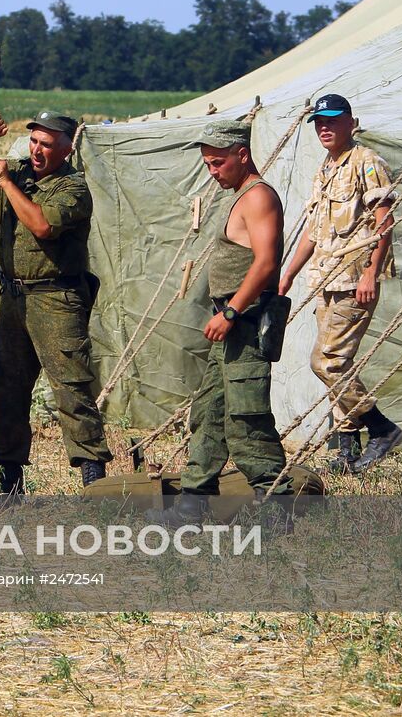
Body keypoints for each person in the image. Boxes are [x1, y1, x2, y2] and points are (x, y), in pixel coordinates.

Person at [155, 120, 292, 526]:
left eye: (218, 163)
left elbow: (266, 263)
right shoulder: (241, 196)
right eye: (209, 165)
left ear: (241, 155)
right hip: (230, 325)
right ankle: (193, 503)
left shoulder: (258, 197)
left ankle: (280, 507)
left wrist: (231, 311)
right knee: (209, 414)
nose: (213, 172)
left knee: (245, 419)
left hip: (245, 324)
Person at [0, 110, 108, 497]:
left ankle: (93, 483)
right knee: (8, 391)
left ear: (67, 149)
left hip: (56, 300)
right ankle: (10, 480)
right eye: (34, 140)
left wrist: (5, 180)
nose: (37, 150)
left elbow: (43, 225)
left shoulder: (73, 188)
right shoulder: (17, 171)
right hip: (15, 299)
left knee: (71, 390)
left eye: (47, 145)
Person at [279, 94, 402, 473]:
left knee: (327, 362)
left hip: (354, 280)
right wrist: (288, 274)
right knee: (338, 364)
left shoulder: (367, 163)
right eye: (319, 122)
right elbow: (313, 233)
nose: (324, 128)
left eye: (332, 120)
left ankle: (382, 429)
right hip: (326, 280)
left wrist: (371, 272)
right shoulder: (326, 169)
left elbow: (385, 221)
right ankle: (345, 452)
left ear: (351, 122)